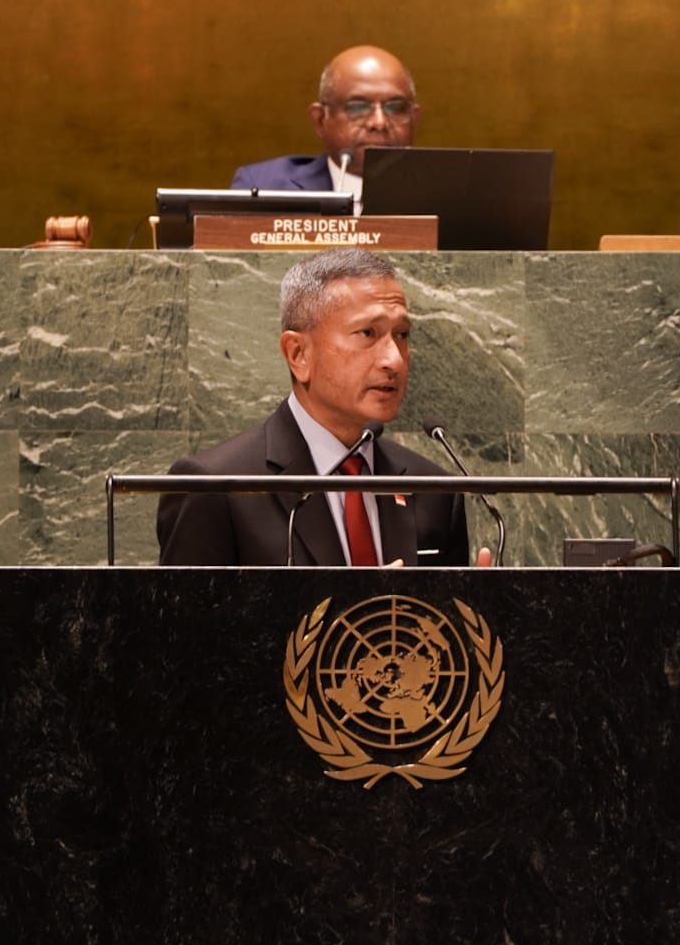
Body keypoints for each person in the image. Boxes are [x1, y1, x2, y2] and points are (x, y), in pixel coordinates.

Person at [157, 247, 486, 567]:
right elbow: (187, 623)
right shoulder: (216, 487)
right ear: (298, 354)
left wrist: (480, 610)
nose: (394, 360)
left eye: (402, 334)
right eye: (367, 333)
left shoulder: (434, 489)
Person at [230, 46, 421, 212]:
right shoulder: (265, 186)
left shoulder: (445, 192)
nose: (379, 123)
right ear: (320, 120)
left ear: (414, 119)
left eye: (395, 107)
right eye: (357, 107)